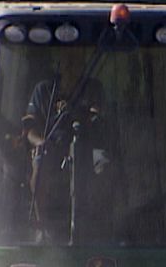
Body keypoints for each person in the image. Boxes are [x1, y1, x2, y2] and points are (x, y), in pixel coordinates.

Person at [22, 57, 111, 242]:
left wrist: (75, 112)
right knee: (39, 165)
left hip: (88, 146)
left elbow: (99, 119)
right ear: (60, 65)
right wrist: (40, 143)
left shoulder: (94, 88)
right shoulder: (43, 90)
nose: (72, 68)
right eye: (68, 62)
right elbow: (29, 129)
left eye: (76, 62)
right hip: (52, 148)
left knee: (105, 167)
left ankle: (100, 228)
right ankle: (43, 228)